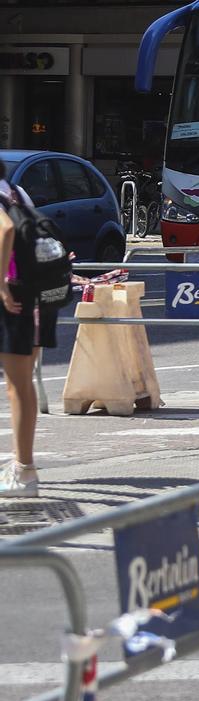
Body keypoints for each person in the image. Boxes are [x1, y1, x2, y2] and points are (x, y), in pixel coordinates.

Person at [0, 179, 56, 497]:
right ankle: (22, 468)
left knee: (17, 386)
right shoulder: (17, 190)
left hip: (16, 295)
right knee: (21, 384)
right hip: (38, 294)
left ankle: (24, 473)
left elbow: (5, 230)